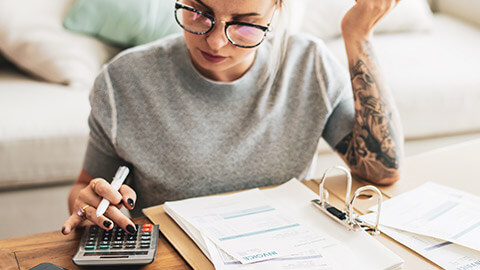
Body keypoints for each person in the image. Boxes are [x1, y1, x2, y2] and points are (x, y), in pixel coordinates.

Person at [62, 0, 404, 235]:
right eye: (198, 12)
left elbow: (381, 169)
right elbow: (86, 187)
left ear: (277, 10)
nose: (215, 42)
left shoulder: (309, 65)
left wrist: (358, 35)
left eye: (245, 24)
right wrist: (88, 205)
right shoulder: (123, 81)